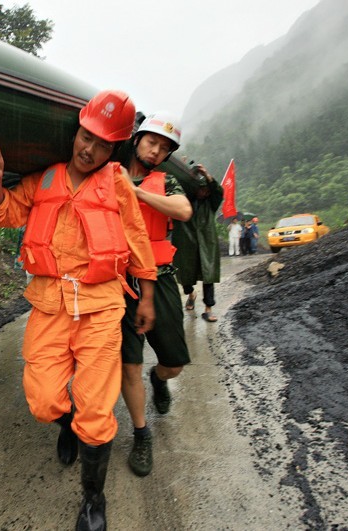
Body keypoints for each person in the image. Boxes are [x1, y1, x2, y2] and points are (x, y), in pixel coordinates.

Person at [0, 90, 157, 531]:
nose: (89, 149)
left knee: (97, 411)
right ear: (75, 131)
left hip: (100, 307)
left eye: (102, 144)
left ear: (114, 149)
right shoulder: (43, 179)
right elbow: (2, 214)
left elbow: (136, 236)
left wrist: (147, 296)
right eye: (85, 136)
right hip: (49, 304)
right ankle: (66, 424)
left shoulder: (117, 182)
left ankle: (93, 500)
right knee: (43, 401)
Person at [118, 112, 193, 477]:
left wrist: (136, 192)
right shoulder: (109, 173)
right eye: (151, 142)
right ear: (137, 139)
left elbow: (184, 210)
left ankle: (159, 379)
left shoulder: (167, 182)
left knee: (174, 364)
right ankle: (141, 433)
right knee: (128, 363)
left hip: (160, 279)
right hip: (119, 283)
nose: (155, 151)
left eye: (164, 149)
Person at [172, 165, 224, 323]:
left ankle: (208, 309)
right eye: (201, 189)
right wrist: (191, 174)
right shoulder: (183, 201)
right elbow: (181, 184)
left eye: (207, 190)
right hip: (186, 244)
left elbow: (219, 191)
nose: (204, 192)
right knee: (185, 275)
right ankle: (191, 294)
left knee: (208, 276)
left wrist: (207, 175)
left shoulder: (211, 203)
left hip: (207, 244)